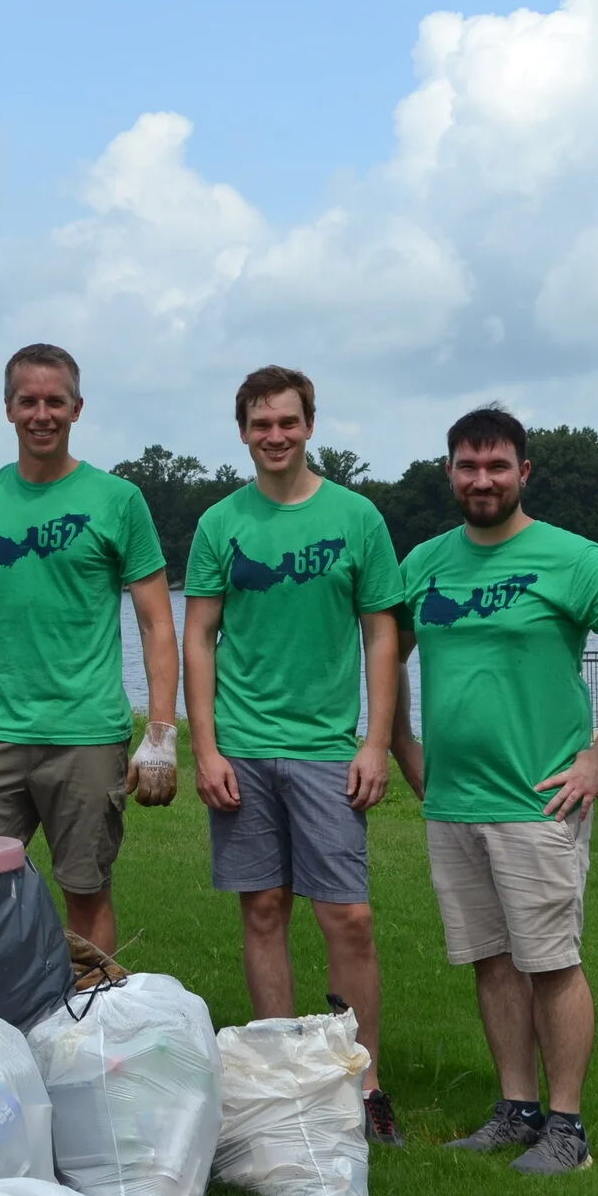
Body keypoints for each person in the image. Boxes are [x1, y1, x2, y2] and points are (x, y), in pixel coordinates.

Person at [391, 404, 598, 1175]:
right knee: (491, 959)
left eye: (497, 465)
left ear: (524, 472)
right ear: (449, 472)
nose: (481, 479)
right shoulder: (423, 564)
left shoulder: (573, 559)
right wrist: (398, 741)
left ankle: (568, 1127)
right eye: (467, 466)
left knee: (550, 960)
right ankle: (515, 1110)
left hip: (537, 800)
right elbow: (385, 655)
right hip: (455, 802)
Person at [183, 366, 406, 1145]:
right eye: (259, 423)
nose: (274, 436)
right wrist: (203, 745)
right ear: (242, 430)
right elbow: (199, 634)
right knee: (264, 908)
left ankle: (362, 1077)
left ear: (310, 424)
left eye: (287, 421)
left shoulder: (357, 518)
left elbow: (382, 632)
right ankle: (283, 1079)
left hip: (323, 747)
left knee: (348, 915)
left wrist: (375, 740)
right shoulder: (220, 523)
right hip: (242, 746)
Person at [0, 342, 177, 957]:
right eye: (28, 401)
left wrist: (160, 733)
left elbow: (156, 624)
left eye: (55, 401)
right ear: (8, 409)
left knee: (86, 893)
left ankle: (87, 1038)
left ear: (77, 409)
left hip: (87, 733)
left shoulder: (118, 500)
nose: (41, 414)